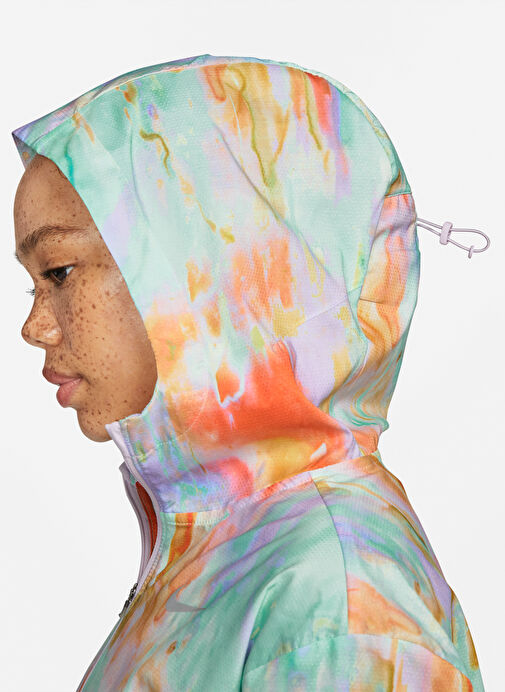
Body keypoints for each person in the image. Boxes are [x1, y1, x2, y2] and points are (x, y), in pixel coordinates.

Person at [12, 53, 485, 691]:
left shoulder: (338, 607)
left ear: (207, 271)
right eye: (33, 284)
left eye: (59, 272)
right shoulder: (222, 542)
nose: (35, 326)